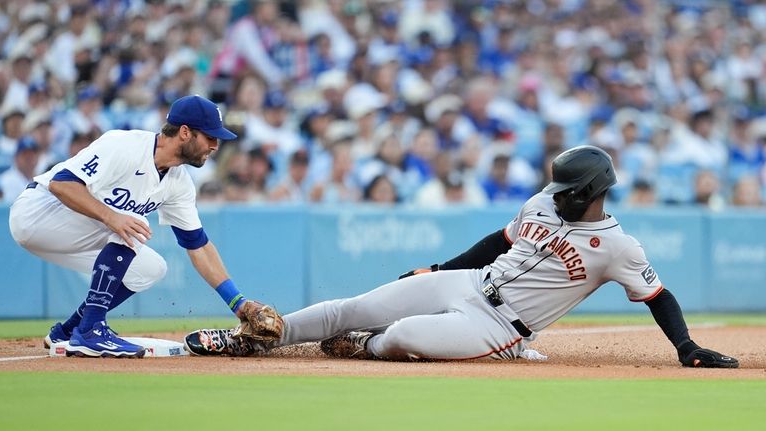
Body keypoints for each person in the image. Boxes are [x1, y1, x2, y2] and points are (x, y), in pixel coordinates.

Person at [185, 146, 738, 368]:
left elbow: (658, 296)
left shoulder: (618, 247)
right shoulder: (543, 201)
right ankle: (254, 336)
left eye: (570, 188)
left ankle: (368, 348)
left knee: (401, 335)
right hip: (470, 284)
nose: (558, 193)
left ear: (595, 190)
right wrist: (440, 270)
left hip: (502, 325)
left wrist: (687, 348)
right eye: (558, 186)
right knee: (353, 304)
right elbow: (497, 243)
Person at [9, 95, 268, 358]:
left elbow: (198, 246)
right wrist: (112, 218)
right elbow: (61, 184)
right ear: (185, 132)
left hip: (70, 231)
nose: (215, 145)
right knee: (134, 222)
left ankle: (70, 330)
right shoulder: (125, 145)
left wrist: (238, 303)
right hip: (37, 213)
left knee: (150, 269)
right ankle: (91, 331)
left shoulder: (178, 182)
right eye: (209, 137)